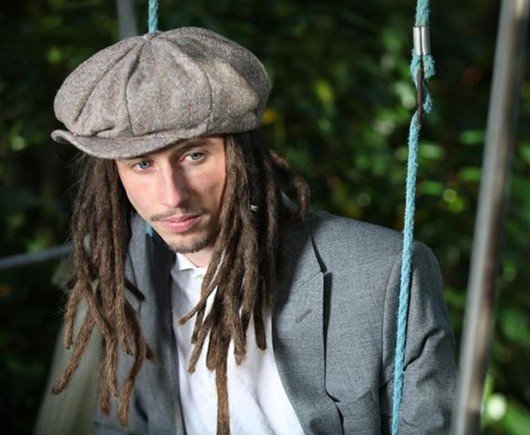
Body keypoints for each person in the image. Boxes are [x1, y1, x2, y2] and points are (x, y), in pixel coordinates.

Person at [49, 27, 456, 434]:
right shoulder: (127, 267)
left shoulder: (384, 273)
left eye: (194, 155)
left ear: (243, 156)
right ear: (113, 176)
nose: (172, 196)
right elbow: (121, 424)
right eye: (142, 164)